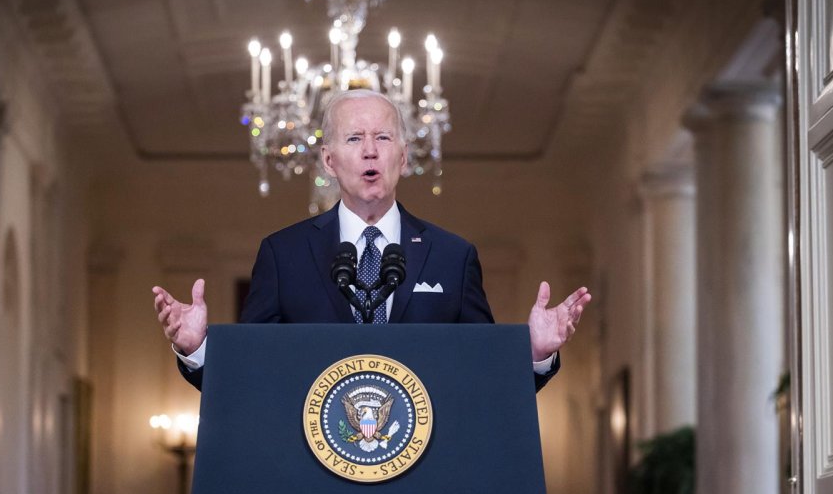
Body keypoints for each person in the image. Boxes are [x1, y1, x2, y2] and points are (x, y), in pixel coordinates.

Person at [153, 89, 591, 391]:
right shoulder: (283, 255)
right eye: (354, 138)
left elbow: (484, 380)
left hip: (422, 482)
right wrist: (198, 349)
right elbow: (249, 378)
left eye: (383, 138)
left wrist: (533, 353)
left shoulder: (452, 257)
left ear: (402, 156)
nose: (369, 150)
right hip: (315, 481)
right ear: (328, 159)